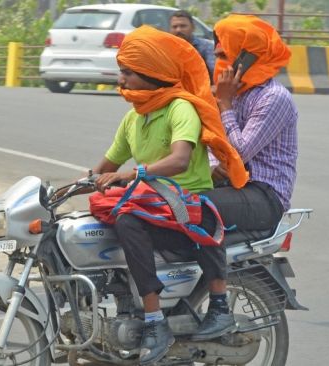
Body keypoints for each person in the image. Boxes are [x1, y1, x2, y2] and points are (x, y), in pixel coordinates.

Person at [89, 25, 248, 365]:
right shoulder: (134, 118)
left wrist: (134, 173)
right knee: (94, 218)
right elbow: (105, 166)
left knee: (127, 218)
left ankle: (154, 321)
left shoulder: (180, 108)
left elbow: (179, 160)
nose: (121, 80)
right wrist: (75, 185)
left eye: (128, 72)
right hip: (156, 204)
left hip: (189, 205)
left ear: (151, 74)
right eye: (121, 72)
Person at [207, 14, 298, 237]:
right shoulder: (230, 93)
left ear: (245, 59)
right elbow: (208, 140)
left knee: (192, 206)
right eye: (217, 56)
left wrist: (225, 105)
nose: (218, 65)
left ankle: (215, 273)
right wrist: (211, 165)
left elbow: (239, 152)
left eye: (224, 56)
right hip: (229, 185)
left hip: (264, 194)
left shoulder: (273, 98)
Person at [169, 10, 215, 83]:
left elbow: (215, 73)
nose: (178, 30)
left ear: (193, 27)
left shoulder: (206, 46)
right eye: (174, 27)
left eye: (183, 26)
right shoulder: (166, 49)